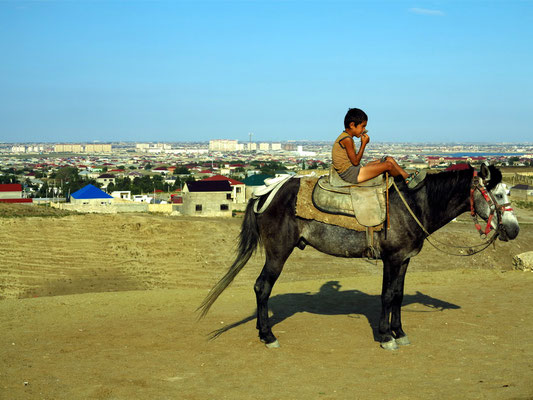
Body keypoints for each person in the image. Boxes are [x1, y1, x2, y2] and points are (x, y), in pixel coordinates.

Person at [331, 108, 426, 189]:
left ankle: (407, 177)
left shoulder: (346, 137)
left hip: (355, 169)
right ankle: (402, 184)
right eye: (362, 126)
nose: (364, 130)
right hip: (351, 174)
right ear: (352, 125)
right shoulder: (347, 139)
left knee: (388, 159)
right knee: (388, 165)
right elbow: (355, 162)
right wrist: (363, 144)